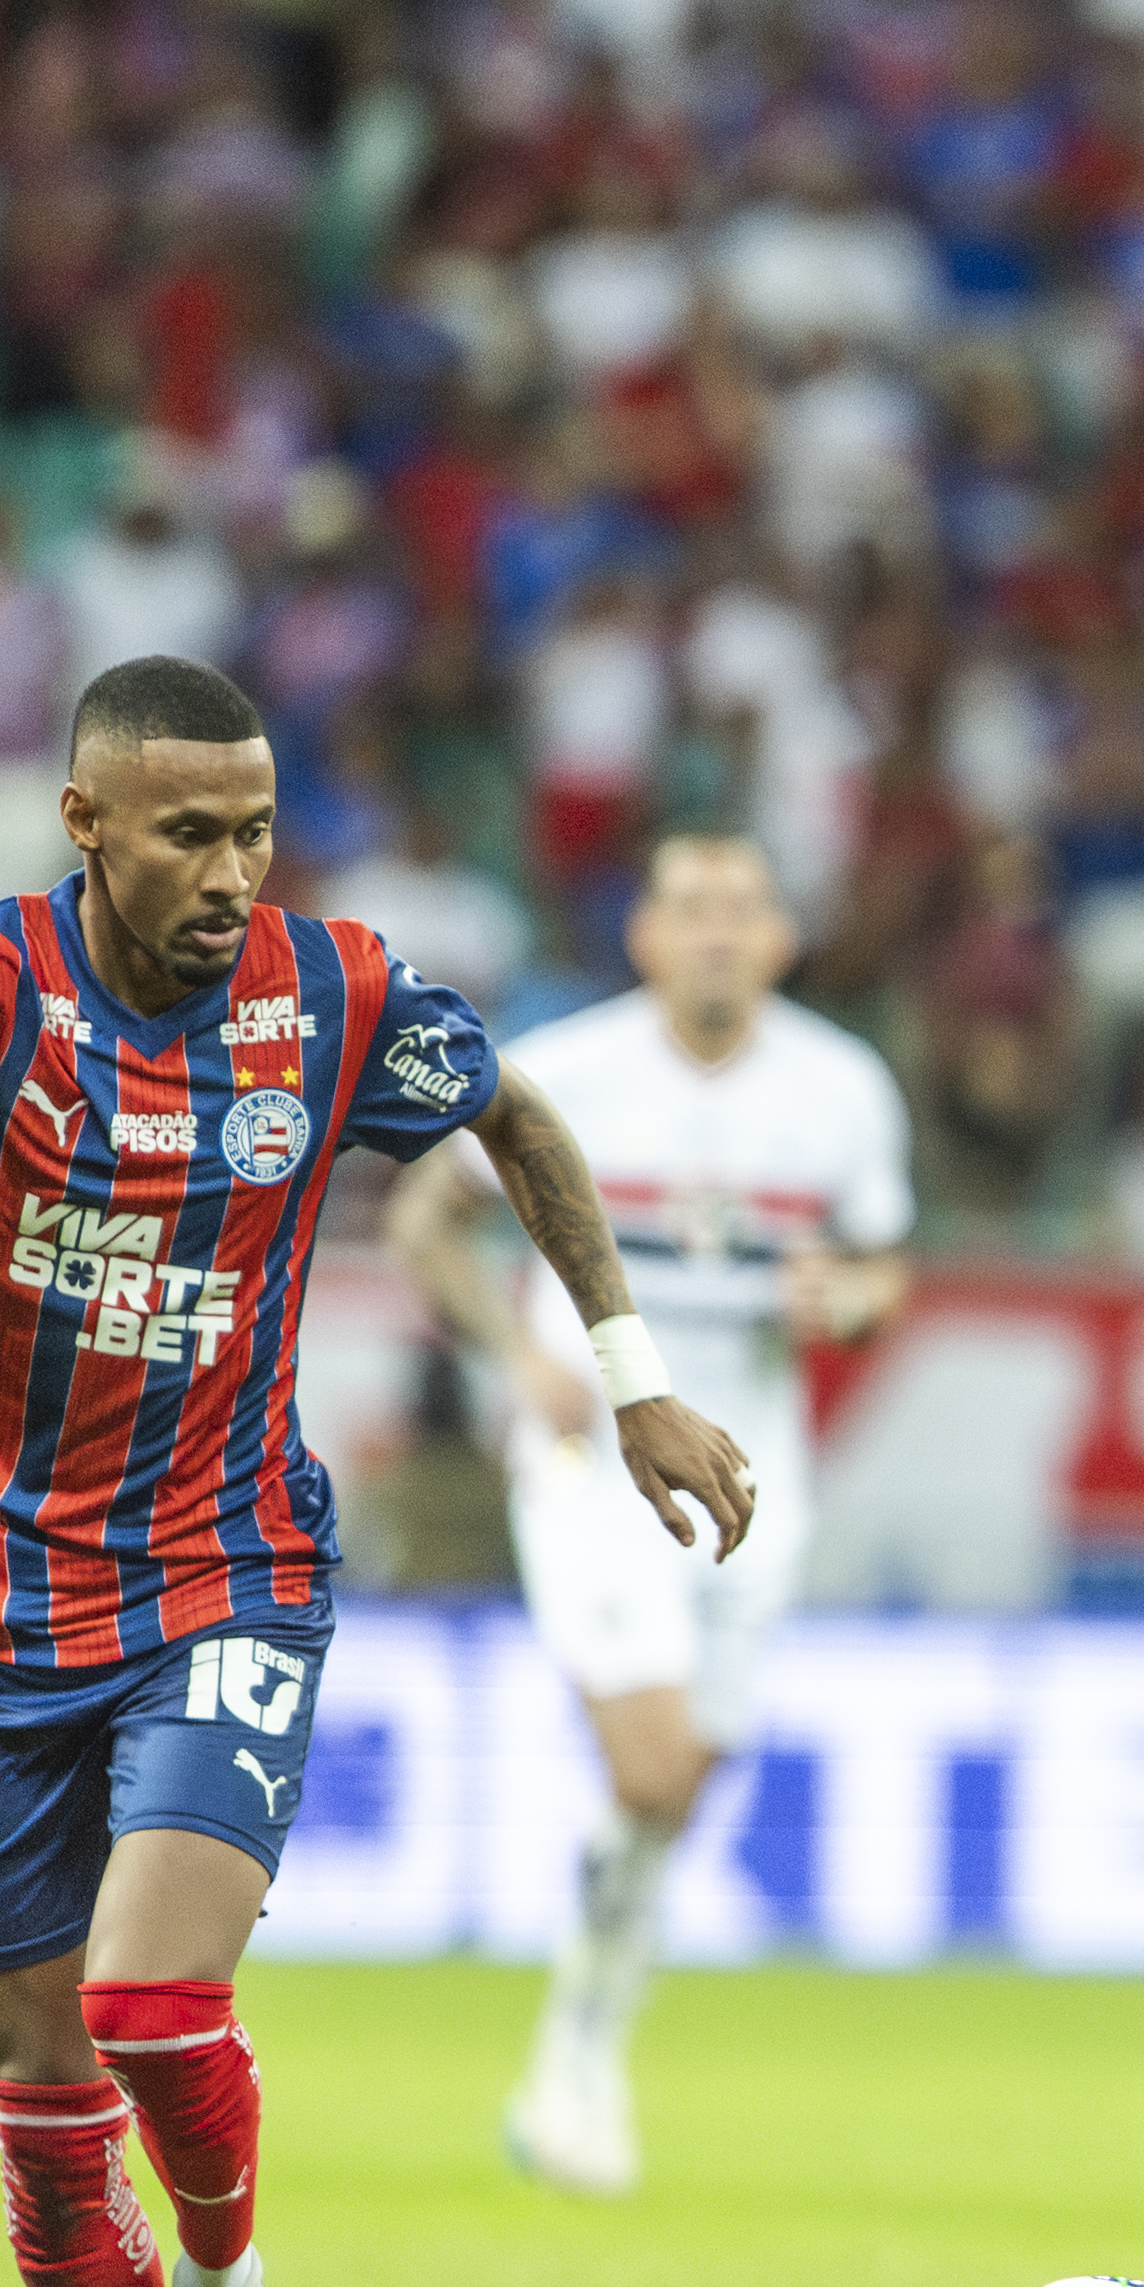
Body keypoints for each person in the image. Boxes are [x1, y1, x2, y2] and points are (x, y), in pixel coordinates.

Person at [0, 655, 754, 2287]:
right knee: (43, 2120)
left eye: (255, 831)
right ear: (88, 827)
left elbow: (521, 1121)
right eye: (189, 833)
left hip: (227, 1569)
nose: (231, 873)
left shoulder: (340, 994)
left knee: (142, 2003)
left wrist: (628, 1374)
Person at [385, 832, 910, 2199]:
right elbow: (425, 1217)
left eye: (745, 908)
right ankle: (579, 2057)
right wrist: (520, 1363)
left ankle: (581, 2036)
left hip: (756, 1457)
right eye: (693, 909)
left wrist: (842, 1301)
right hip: (593, 1451)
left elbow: (880, 1269)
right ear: (646, 937)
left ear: (784, 937)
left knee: (684, 1781)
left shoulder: (842, 1090)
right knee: (650, 1764)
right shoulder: (573, 1071)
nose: (720, 932)